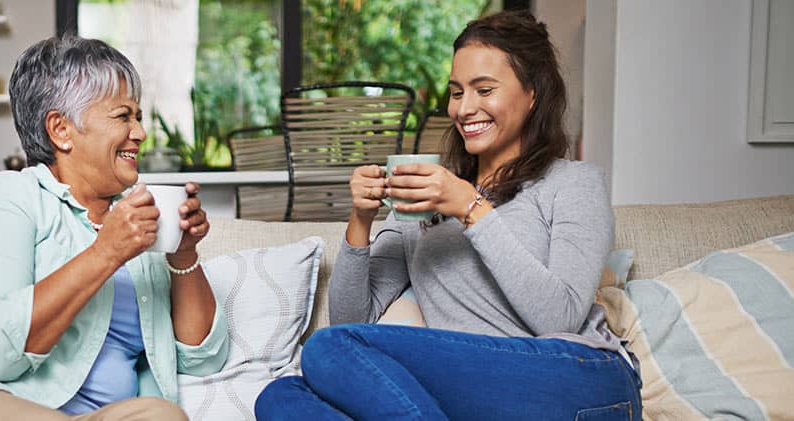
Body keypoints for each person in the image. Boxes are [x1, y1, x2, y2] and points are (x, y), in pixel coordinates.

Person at [254, 11, 642, 420]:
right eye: (456, 92)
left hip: (580, 378)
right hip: (478, 395)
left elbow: (559, 318)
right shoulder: (424, 198)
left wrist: (470, 207)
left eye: (484, 90)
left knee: (325, 348)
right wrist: (361, 220)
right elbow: (352, 322)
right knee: (281, 397)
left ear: (533, 93)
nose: (465, 108)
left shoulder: (574, 183)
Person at [0, 35, 229, 421]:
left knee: (164, 416)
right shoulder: (10, 196)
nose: (140, 133)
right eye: (122, 116)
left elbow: (203, 358)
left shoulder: (135, 223)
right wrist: (105, 253)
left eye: (138, 117)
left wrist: (183, 253)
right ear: (60, 129)